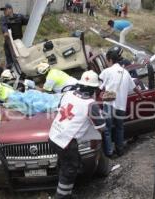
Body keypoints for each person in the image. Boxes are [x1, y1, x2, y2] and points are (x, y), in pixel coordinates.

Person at [49, 70, 105, 199]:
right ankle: (62, 196)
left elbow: (61, 108)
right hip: (66, 142)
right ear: (93, 89)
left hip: (53, 135)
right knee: (70, 168)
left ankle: (65, 191)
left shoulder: (67, 94)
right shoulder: (90, 105)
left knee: (68, 163)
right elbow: (102, 127)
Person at [99, 46, 145, 157]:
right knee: (120, 128)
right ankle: (120, 150)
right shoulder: (125, 73)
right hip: (121, 107)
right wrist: (142, 96)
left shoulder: (107, 72)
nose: (106, 63)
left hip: (109, 105)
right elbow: (134, 88)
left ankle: (109, 152)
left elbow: (99, 86)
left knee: (107, 130)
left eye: (107, 60)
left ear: (110, 60)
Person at [0, 3, 29, 68]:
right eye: (3, 10)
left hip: (18, 43)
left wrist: (39, 16)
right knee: (10, 62)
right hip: (9, 44)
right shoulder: (4, 18)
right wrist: (5, 32)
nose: (4, 12)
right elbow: (3, 26)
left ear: (10, 9)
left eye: (5, 10)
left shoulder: (19, 17)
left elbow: (28, 20)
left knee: (21, 59)